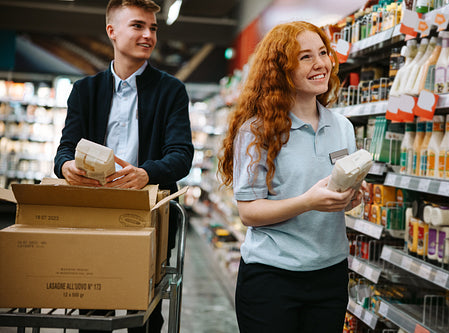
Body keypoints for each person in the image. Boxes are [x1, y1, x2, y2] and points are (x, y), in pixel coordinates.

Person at [53, 0, 193, 332]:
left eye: (153, 28)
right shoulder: (84, 91)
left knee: (143, 317)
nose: (148, 35)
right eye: (138, 26)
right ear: (111, 31)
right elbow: (63, 151)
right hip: (93, 216)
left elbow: (181, 156)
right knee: (91, 312)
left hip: (148, 219)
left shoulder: (170, 91)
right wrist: (66, 166)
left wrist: (147, 173)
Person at [218, 21, 365, 333]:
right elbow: (249, 212)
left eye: (323, 53)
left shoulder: (342, 127)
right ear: (281, 69)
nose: (320, 64)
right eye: (305, 57)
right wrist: (308, 202)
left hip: (330, 273)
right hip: (272, 276)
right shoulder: (257, 131)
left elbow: (343, 200)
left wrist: (352, 197)